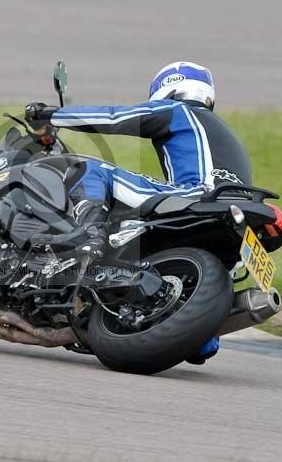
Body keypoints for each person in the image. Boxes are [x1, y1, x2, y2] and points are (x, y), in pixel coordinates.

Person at [25, 61, 252, 364]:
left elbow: (116, 118)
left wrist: (52, 115)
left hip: (197, 195)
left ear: (168, 88)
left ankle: (89, 236)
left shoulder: (179, 112)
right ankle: (199, 335)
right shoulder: (228, 135)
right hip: (239, 214)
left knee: (90, 168)